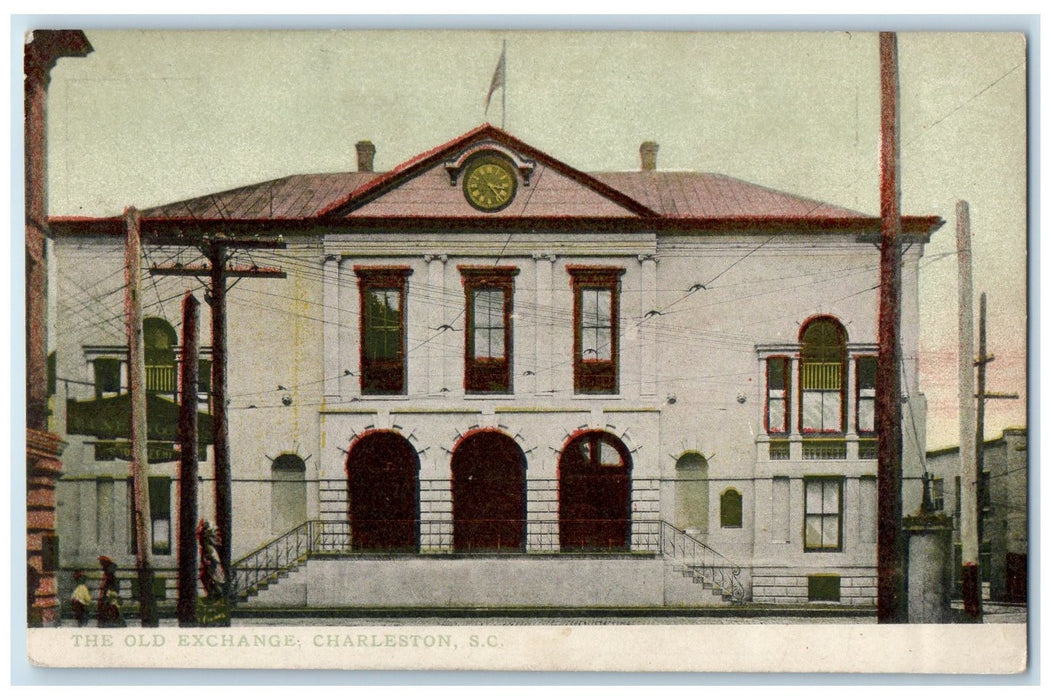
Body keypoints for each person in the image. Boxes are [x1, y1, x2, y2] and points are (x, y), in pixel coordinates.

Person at [96, 556, 124, 627]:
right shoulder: (108, 576)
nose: (102, 567)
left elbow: (111, 590)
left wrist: (106, 597)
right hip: (108, 600)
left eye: (102, 564)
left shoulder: (109, 577)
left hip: (109, 601)